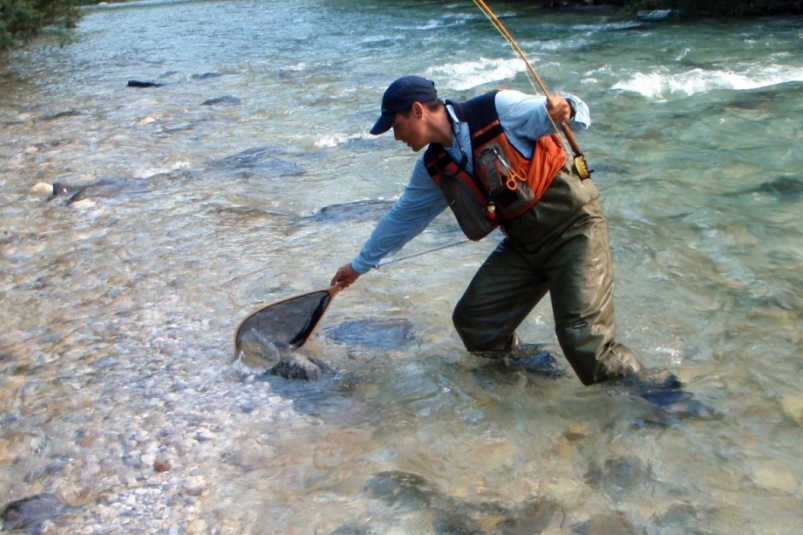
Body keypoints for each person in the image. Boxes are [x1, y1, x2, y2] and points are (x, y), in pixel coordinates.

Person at [330, 76, 642, 385]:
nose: (396, 136)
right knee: (476, 321)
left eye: (396, 126)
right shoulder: (433, 167)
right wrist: (359, 266)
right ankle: (530, 376)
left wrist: (567, 109)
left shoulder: (497, 108)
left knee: (583, 339)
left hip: (575, 228)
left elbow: (570, 112)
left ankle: (658, 400)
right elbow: (402, 219)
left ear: (417, 111)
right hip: (525, 245)